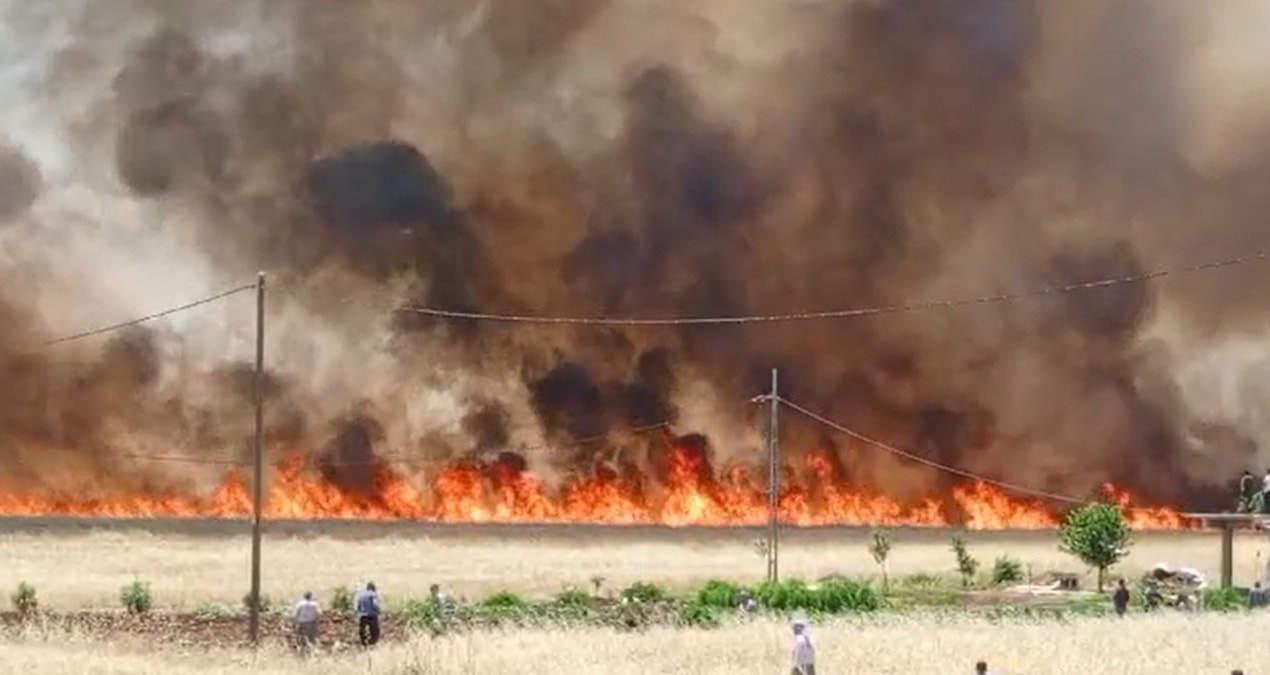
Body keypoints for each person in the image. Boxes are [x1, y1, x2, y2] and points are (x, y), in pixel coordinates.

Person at [355, 581, 382, 647]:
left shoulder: (361, 595)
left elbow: (357, 606)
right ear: (373, 588)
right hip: (372, 617)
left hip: (363, 616)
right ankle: (372, 644)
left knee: (363, 632)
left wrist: (358, 612)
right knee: (375, 632)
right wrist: (379, 611)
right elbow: (375, 605)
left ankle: (364, 645)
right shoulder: (373, 595)